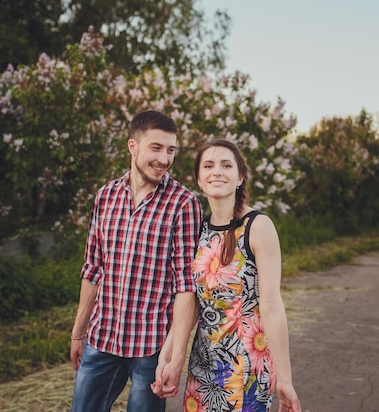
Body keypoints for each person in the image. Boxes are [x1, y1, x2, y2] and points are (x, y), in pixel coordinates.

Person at [153, 139, 302, 412]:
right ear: (199, 178)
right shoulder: (197, 230)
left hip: (246, 364)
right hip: (203, 365)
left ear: (239, 177)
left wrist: (285, 380)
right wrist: (168, 356)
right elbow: (193, 303)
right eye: (208, 166)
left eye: (226, 165)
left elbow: (271, 307)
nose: (216, 172)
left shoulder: (258, 226)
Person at [69, 109, 203, 412]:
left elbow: (186, 285)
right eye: (156, 148)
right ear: (133, 146)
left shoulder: (183, 203)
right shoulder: (105, 196)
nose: (164, 159)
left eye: (170, 150)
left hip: (151, 346)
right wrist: (79, 332)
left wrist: (176, 355)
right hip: (101, 340)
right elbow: (93, 269)